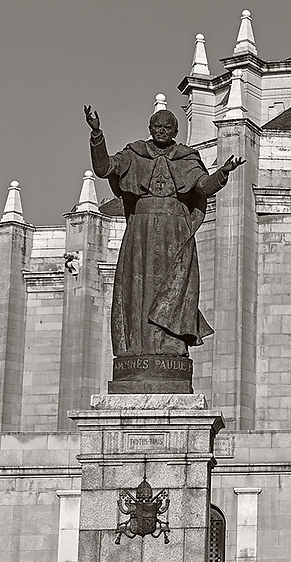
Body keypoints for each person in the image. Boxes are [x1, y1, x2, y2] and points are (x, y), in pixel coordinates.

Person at [84, 104, 242, 389]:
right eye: (156, 127)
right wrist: (97, 133)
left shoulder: (187, 158)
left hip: (175, 233)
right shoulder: (134, 154)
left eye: (167, 128)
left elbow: (202, 187)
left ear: (175, 131)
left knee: (176, 289)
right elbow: (104, 167)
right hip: (141, 231)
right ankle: (137, 350)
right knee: (137, 290)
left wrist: (223, 173)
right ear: (150, 129)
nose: (161, 131)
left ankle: (171, 347)